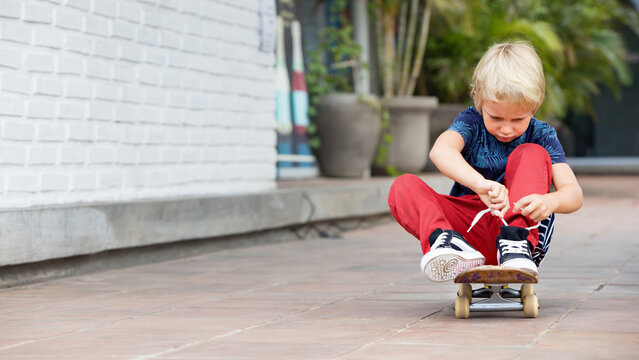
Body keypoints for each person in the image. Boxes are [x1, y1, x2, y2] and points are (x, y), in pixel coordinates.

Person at [388, 41, 583, 282]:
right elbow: (441, 151)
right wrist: (480, 185)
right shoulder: (471, 121)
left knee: (531, 152)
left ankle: (514, 243)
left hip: (519, 229)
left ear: (535, 106)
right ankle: (447, 242)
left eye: (518, 119)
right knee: (403, 186)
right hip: (469, 230)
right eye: (496, 117)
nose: (507, 128)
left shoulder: (541, 134)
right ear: (478, 98)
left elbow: (574, 193)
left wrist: (551, 201)